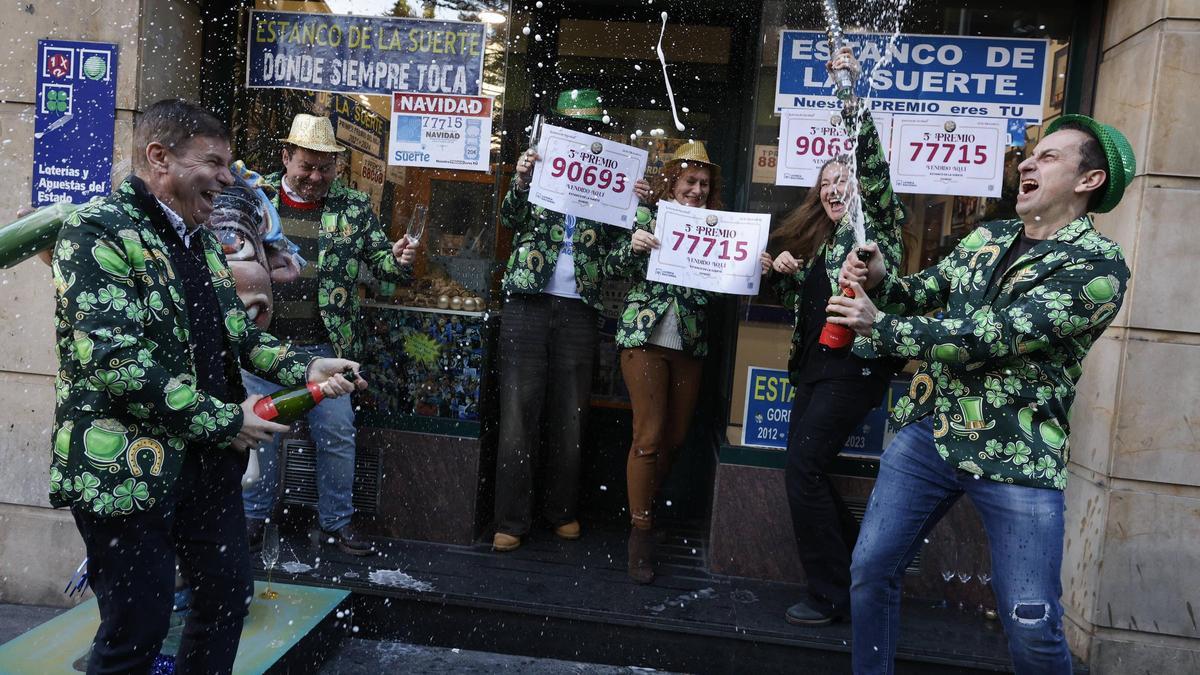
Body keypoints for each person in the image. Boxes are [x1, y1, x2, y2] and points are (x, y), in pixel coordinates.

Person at [48, 99, 364, 673]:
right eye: (213, 162)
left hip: (203, 470)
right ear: (159, 157)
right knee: (135, 631)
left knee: (224, 601)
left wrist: (304, 369)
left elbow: (239, 336)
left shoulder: (198, 237)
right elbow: (119, 366)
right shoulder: (97, 231)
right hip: (127, 475)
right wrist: (226, 419)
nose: (227, 176)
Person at [831, 114, 1134, 673]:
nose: (1027, 163)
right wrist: (880, 283)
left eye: (1048, 157)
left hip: (1016, 450)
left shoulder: (1098, 266)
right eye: (1029, 155)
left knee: (1031, 619)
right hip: (930, 432)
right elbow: (918, 295)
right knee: (871, 570)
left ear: (1088, 181)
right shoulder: (985, 236)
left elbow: (997, 336)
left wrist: (883, 325)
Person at [766, 47, 906, 626]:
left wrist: (846, 85)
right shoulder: (817, 240)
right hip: (816, 368)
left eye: (842, 180)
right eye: (825, 182)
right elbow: (799, 312)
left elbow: (867, 157)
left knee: (802, 468)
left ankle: (832, 595)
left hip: (857, 368)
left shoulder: (875, 222)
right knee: (807, 469)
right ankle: (862, 572)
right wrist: (784, 275)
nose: (833, 189)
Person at [242, 114, 416, 557]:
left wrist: (398, 256)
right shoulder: (255, 200)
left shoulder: (353, 206)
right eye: (307, 166)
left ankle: (336, 525)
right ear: (286, 157)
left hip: (327, 348)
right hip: (263, 349)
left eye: (325, 168)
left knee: (337, 435)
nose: (316, 177)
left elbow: (382, 263)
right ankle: (253, 521)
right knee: (262, 436)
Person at [605, 142, 772, 583]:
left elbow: (729, 280)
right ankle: (640, 532)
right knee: (649, 435)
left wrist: (756, 264)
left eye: (704, 184)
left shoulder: (719, 228)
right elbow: (611, 263)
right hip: (645, 336)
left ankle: (648, 508)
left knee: (675, 438)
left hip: (690, 344)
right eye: (689, 181)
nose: (697, 190)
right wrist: (634, 246)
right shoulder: (646, 214)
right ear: (672, 182)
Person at [492, 89, 649, 552]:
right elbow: (508, 218)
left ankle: (561, 510)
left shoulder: (614, 175)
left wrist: (639, 205)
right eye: (575, 126)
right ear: (559, 128)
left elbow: (623, 255)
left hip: (581, 307)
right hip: (527, 301)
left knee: (572, 414)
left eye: (591, 127)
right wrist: (520, 181)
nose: (584, 135)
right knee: (518, 414)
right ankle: (512, 519)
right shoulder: (538, 164)